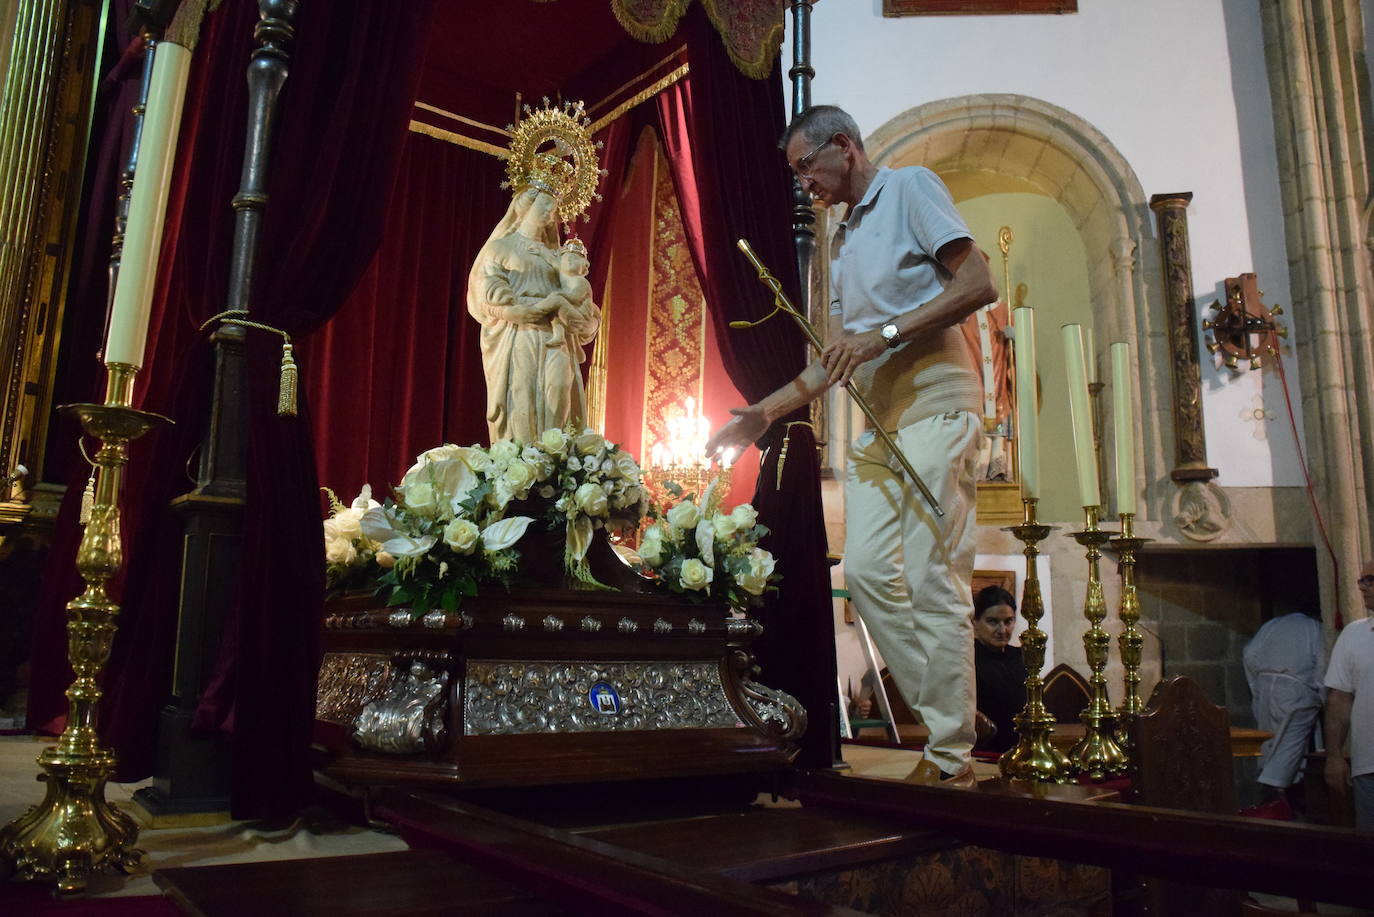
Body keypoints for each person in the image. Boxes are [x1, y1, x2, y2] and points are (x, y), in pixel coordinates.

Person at [706, 105, 997, 787]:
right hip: (884, 428)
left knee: (932, 576)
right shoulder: (839, 241)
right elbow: (834, 358)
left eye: (807, 167)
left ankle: (952, 758)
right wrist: (764, 414)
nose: (804, 184)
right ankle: (955, 707)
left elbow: (978, 282)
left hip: (938, 409)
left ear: (843, 146)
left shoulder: (909, 188)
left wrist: (884, 336)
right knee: (864, 574)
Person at [467, 185, 601, 444]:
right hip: (520, 334)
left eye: (554, 208)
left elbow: (580, 295)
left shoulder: (557, 257)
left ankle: (555, 460)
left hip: (557, 334)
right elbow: (487, 288)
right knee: (522, 394)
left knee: (559, 391)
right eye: (545, 204)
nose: (551, 212)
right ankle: (523, 460)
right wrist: (511, 309)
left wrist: (583, 315)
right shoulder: (500, 248)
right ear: (526, 205)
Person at [1242, 606, 1324, 815]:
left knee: (1270, 744)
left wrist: (1256, 687)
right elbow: (1322, 664)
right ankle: (1275, 799)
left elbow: (1249, 654)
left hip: (1265, 685)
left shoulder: (1273, 625)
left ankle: (1278, 797)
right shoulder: (1313, 628)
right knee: (1289, 745)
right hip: (1296, 690)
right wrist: (1323, 696)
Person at [1325, 562, 1374, 831]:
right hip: (1369, 766)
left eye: (1370, 579)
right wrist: (1334, 757)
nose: (1361, 586)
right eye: (1361, 580)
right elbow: (1339, 700)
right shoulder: (1354, 634)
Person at [971, 585, 1026, 755]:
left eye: (1008, 621)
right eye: (992, 621)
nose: (1003, 630)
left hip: (1020, 750)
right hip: (982, 753)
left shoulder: (1022, 657)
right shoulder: (966, 659)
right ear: (975, 621)